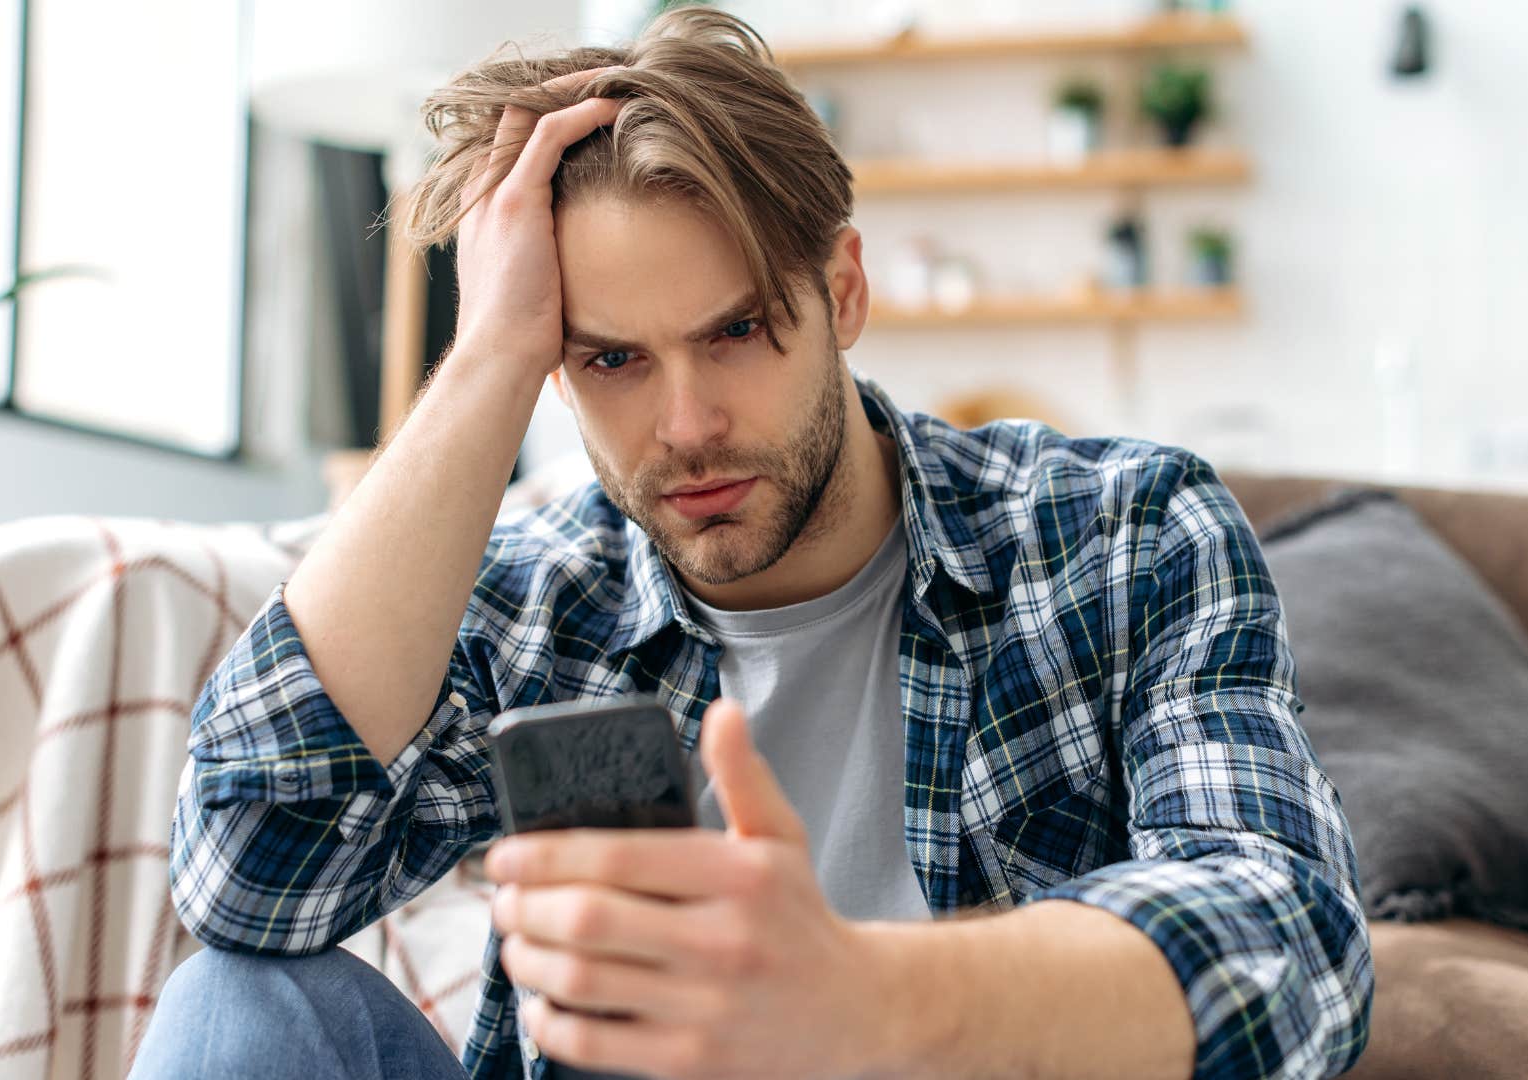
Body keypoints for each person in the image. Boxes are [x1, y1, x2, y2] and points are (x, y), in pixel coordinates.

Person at [132, 8, 1373, 1079]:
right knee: (240, 1005)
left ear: (840, 293)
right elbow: (246, 872)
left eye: (736, 333)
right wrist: (491, 360)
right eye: (611, 359)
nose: (686, 428)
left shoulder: (1122, 536)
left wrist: (860, 995)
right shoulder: (540, 596)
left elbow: (1289, 945)